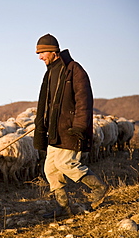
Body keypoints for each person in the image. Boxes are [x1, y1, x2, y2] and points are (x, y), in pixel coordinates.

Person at [33, 34, 109, 218]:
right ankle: (63, 208)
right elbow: (47, 103)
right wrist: (41, 126)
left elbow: (84, 100)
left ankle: (99, 187)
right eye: (38, 53)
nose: (39, 57)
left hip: (69, 129)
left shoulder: (74, 70)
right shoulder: (50, 72)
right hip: (54, 131)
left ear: (53, 51)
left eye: (42, 52)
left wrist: (80, 127)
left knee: (65, 163)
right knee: (50, 169)